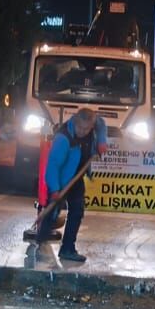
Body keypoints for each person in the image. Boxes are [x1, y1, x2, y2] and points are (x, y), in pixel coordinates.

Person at [36, 108, 97, 264]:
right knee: (52, 213)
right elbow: (53, 166)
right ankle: (41, 243)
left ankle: (68, 249)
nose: (83, 132)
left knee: (77, 212)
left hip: (76, 179)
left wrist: (100, 144)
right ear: (75, 122)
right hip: (60, 181)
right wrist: (55, 189)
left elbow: (101, 127)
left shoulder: (90, 131)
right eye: (81, 128)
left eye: (87, 128)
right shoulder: (63, 139)